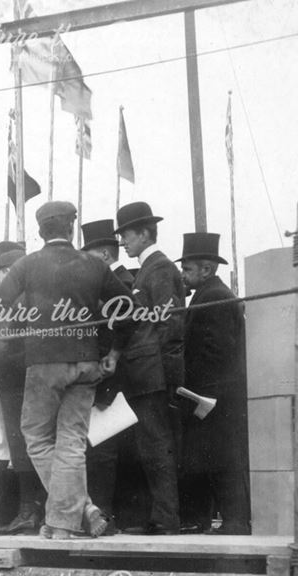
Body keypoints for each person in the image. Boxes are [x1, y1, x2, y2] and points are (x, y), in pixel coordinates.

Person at [0, 202, 133, 540]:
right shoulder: (94, 265)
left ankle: (76, 513)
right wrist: (115, 353)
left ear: (40, 231)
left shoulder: (29, 265)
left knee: (36, 437)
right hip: (87, 363)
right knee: (72, 442)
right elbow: (128, 308)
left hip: (45, 365)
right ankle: (72, 516)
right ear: (70, 228)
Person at [113, 202, 186, 535]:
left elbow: (169, 325)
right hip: (144, 374)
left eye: (127, 235)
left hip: (152, 375)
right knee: (150, 445)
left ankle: (166, 518)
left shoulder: (159, 269)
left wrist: (165, 373)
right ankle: (160, 514)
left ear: (144, 233)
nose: (123, 242)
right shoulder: (147, 269)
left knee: (157, 445)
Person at [176, 232, 251, 534]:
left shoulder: (213, 297)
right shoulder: (212, 294)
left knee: (221, 459)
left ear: (205, 270)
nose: (183, 274)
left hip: (213, 397)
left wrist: (198, 392)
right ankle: (226, 520)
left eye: (187, 269)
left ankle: (234, 521)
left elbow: (215, 351)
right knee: (216, 457)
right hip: (218, 394)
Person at [0, 248, 50, 536]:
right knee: (18, 450)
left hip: (18, 381)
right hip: (14, 381)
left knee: (23, 450)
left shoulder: (18, 300)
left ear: (10, 271)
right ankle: (28, 511)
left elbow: (9, 345)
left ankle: (30, 512)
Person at [81, 219, 138, 535]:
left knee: (104, 447)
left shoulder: (121, 283)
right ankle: (105, 512)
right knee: (101, 446)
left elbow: (125, 325)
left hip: (112, 375)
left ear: (103, 254)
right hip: (106, 372)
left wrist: (112, 357)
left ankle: (106, 513)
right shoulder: (112, 282)